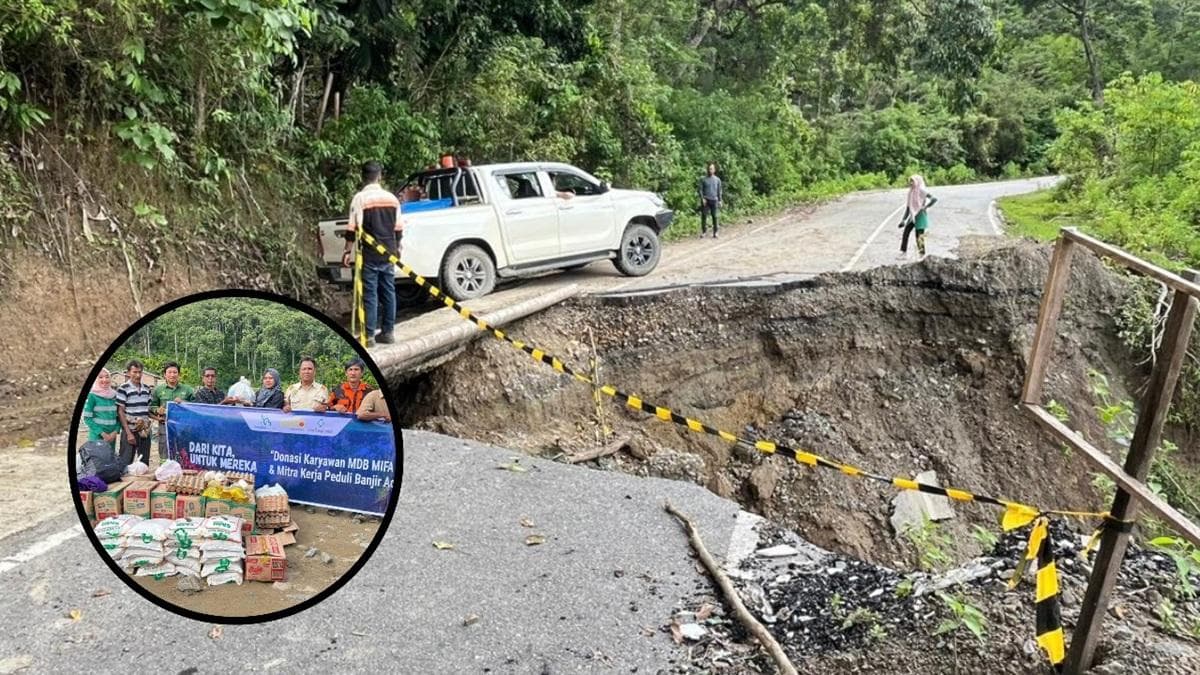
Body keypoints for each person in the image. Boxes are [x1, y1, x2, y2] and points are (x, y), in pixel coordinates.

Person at [342, 161, 403, 347]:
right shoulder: (392, 199)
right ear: (380, 176)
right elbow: (398, 229)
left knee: (370, 295)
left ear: (362, 177)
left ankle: (369, 336)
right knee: (389, 293)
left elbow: (352, 229)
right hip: (389, 252)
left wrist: (347, 251)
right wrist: (398, 248)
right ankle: (388, 332)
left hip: (369, 255)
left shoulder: (360, 199)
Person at [150, 361, 194, 461]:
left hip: (183, 427)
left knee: (183, 452)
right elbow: (151, 406)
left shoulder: (188, 390)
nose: (172, 375)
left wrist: (184, 402)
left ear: (179, 374)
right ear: (165, 374)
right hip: (164, 425)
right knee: (164, 453)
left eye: (175, 372)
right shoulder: (158, 390)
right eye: (169, 372)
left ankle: (183, 474)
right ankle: (164, 473)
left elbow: (195, 407)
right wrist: (157, 410)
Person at [115, 359, 153, 466]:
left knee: (144, 463)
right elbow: (120, 411)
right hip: (130, 431)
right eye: (134, 372)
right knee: (125, 462)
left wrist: (158, 418)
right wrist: (128, 433)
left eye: (140, 372)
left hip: (144, 432)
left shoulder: (146, 388)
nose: (138, 375)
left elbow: (147, 410)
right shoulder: (123, 388)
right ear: (128, 373)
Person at [898, 174, 938, 259]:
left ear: (917, 181)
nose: (911, 183)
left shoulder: (921, 190)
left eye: (912, 181)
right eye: (910, 181)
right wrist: (903, 219)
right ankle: (903, 252)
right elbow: (908, 207)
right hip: (913, 215)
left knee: (919, 236)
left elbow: (934, 199)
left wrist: (925, 207)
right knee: (906, 232)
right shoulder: (910, 192)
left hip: (920, 215)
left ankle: (921, 254)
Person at [82, 367, 120, 449]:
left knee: (109, 459)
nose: (104, 380)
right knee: (97, 459)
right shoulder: (92, 396)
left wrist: (115, 432)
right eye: (100, 377)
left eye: (107, 377)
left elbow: (119, 417)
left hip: (112, 437)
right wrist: (102, 433)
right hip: (97, 436)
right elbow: (87, 418)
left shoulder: (114, 395)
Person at [698, 162, 723, 238]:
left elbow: (719, 190)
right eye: (709, 169)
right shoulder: (703, 179)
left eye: (711, 169)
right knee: (704, 216)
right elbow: (700, 190)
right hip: (706, 200)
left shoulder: (717, 180)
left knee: (715, 216)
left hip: (714, 200)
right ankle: (704, 232)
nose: (710, 170)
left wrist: (720, 200)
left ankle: (715, 232)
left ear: (714, 170)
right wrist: (702, 198)